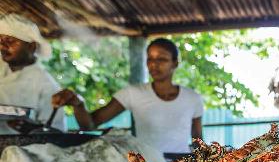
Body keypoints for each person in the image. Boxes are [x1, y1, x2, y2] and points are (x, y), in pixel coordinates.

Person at [53, 38, 203, 155]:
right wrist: (78, 104)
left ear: (175, 63)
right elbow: (89, 124)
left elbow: (198, 142)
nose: (153, 65)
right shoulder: (133, 93)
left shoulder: (192, 99)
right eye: (150, 59)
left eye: (161, 59)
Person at [0, 13, 65, 130]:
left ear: (31, 47)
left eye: (10, 41)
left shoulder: (46, 86)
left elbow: (55, 132)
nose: (3, 46)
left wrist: (32, 129)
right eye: (1, 40)